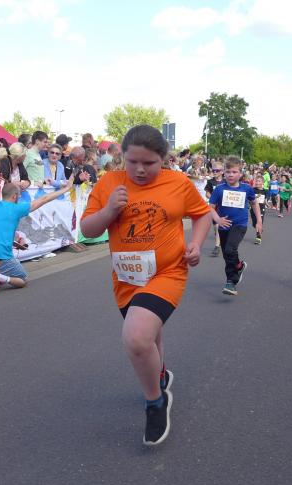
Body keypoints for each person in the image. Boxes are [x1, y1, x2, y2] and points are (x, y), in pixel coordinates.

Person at [80, 125, 212, 446]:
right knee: (151, 336)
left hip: (168, 272)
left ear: (163, 159)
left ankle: (155, 401)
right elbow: (88, 229)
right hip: (127, 277)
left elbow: (202, 214)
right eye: (132, 162)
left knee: (137, 337)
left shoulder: (178, 183)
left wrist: (195, 244)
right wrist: (110, 210)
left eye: (149, 163)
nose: (140, 170)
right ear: (122, 157)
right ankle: (160, 374)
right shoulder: (109, 183)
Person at [0, 176, 74, 294]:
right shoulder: (16, 208)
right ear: (14, 196)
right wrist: (66, 188)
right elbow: (44, 199)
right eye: (18, 195)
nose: (19, 197)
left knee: (13, 264)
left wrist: (16, 241)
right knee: (22, 280)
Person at [208, 156, 261, 295]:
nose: (230, 175)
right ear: (224, 173)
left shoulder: (247, 188)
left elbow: (254, 203)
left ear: (240, 173)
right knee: (227, 255)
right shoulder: (219, 189)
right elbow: (210, 207)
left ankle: (231, 282)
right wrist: (218, 220)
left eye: (234, 172)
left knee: (230, 250)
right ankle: (238, 266)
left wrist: (259, 221)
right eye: (228, 172)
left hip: (239, 225)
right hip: (223, 225)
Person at [204, 161, 226, 256]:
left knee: (221, 227)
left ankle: (217, 246)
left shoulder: (226, 182)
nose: (215, 172)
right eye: (213, 170)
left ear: (222, 171)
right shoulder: (210, 181)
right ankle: (218, 244)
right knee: (216, 227)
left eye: (217, 170)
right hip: (214, 207)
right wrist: (213, 198)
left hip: (224, 207)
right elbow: (207, 193)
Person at [250, 175, 268, 244]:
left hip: (261, 208)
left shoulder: (265, 191)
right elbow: (250, 199)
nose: (257, 182)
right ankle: (260, 229)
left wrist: (266, 203)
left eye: (259, 181)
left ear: (262, 182)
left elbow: (265, 200)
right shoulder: (253, 190)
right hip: (253, 208)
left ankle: (258, 237)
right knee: (254, 224)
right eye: (256, 181)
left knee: (259, 222)